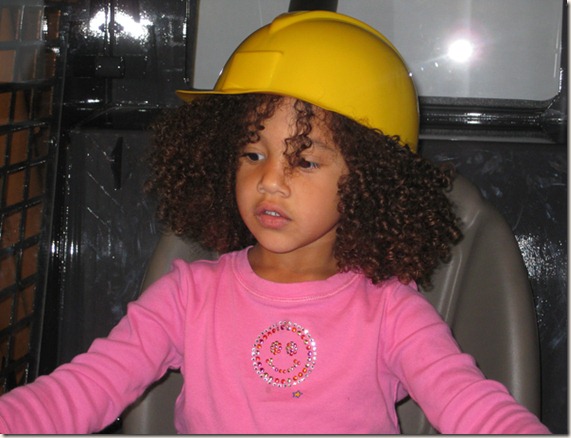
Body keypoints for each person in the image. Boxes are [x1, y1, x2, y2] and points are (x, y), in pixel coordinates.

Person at [0, 10, 550, 434]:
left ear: (369, 178)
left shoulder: (391, 312)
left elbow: (472, 406)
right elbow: (83, 389)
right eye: (252, 153)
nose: (270, 181)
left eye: (304, 161)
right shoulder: (188, 297)